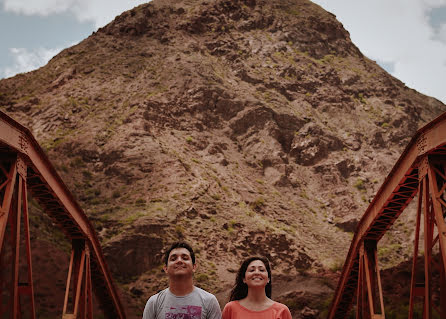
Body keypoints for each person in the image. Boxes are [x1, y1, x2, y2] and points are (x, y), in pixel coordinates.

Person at [142, 242, 222, 319]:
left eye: (185, 258)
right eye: (173, 259)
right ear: (165, 268)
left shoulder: (209, 301)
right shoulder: (154, 303)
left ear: (194, 267)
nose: (179, 261)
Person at [222, 256, 292, 319]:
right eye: (252, 270)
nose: (257, 273)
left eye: (261, 270)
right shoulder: (231, 308)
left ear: (268, 279)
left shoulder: (282, 311)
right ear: (244, 279)